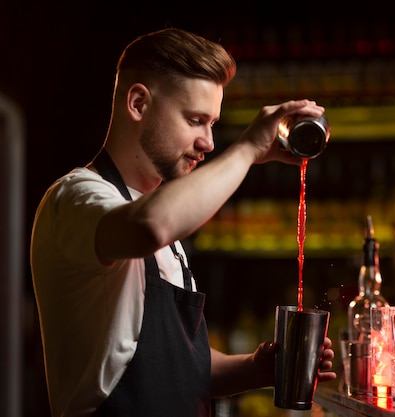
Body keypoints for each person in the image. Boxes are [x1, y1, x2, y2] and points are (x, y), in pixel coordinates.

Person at [30, 27, 336, 417]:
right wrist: (247, 150)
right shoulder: (77, 199)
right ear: (138, 103)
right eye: (195, 120)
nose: (208, 142)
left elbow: (178, 367)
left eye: (212, 124)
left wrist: (257, 369)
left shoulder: (161, 220)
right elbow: (150, 225)